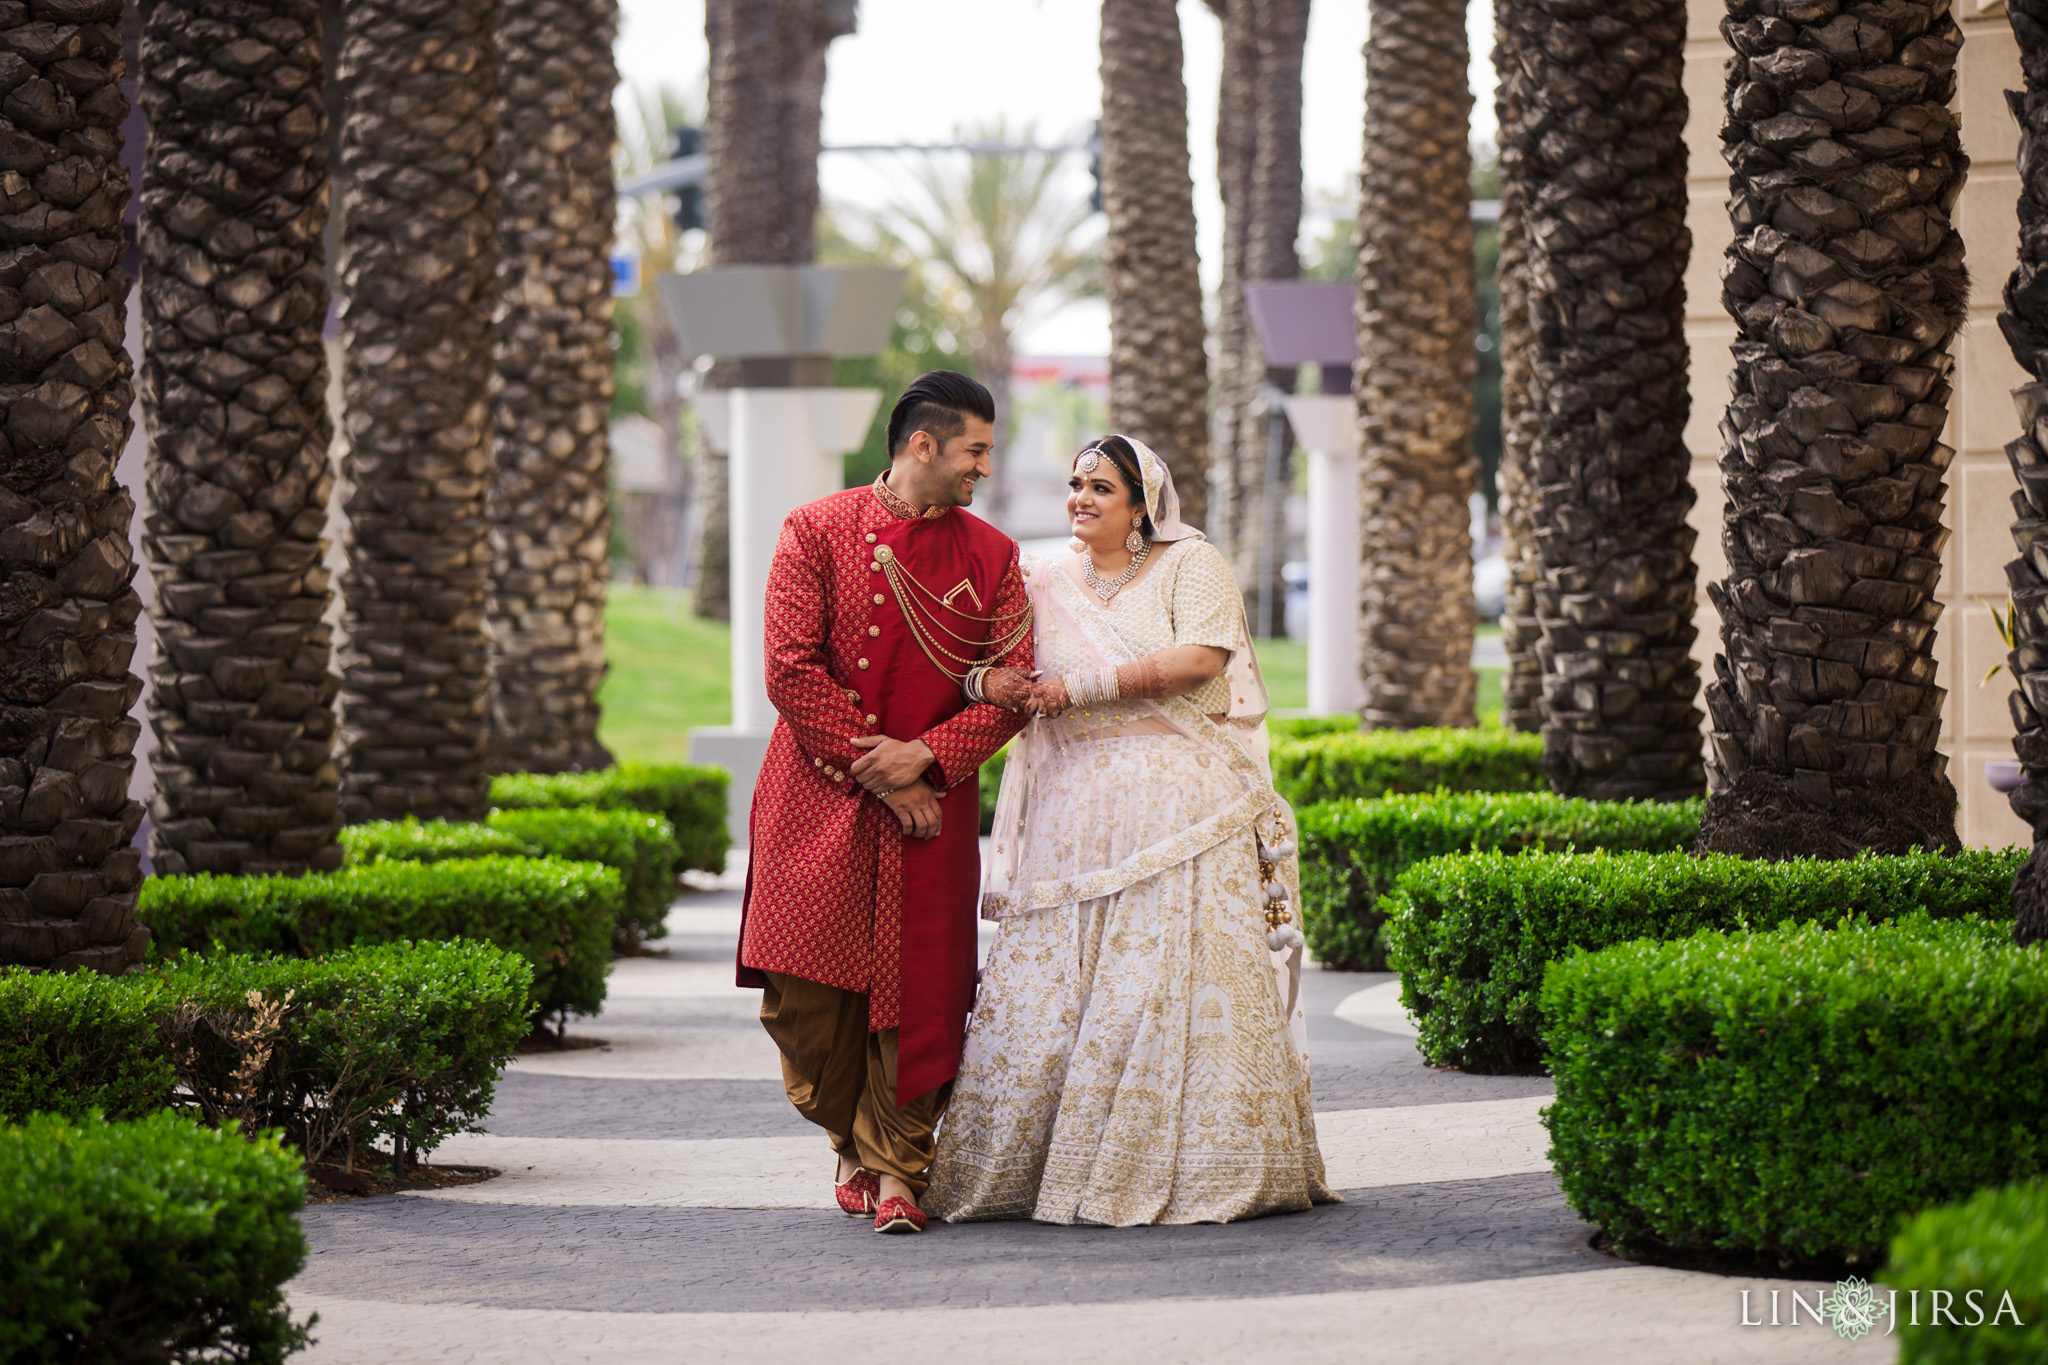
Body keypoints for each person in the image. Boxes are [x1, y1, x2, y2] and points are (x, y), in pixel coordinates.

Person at [924, 434, 1335, 1226]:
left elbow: (1200, 661)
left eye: (1101, 487)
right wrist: (986, 681)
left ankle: (1205, 1166)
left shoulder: (1190, 563)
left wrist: (1079, 686)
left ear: (1143, 505)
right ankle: (1036, 1169)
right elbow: (979, 662)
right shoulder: (1041, 579)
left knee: (1172, 987)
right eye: (1075, 484)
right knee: (1060, 992)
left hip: (1187, 813)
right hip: (1075, 820)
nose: (1080, 497)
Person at [736, 371, 1038, 1235]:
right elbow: (789, 667)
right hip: (817, 801)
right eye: (975, 449)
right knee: (802, 1000)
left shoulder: (994, 555)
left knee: (924, 992)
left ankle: (899, 1168)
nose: (985, 465)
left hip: (928, 820)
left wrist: (931, 759)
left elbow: (1013, 689)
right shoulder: (814, 530)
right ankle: (849, 1134)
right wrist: (887, 770)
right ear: (923, 445)